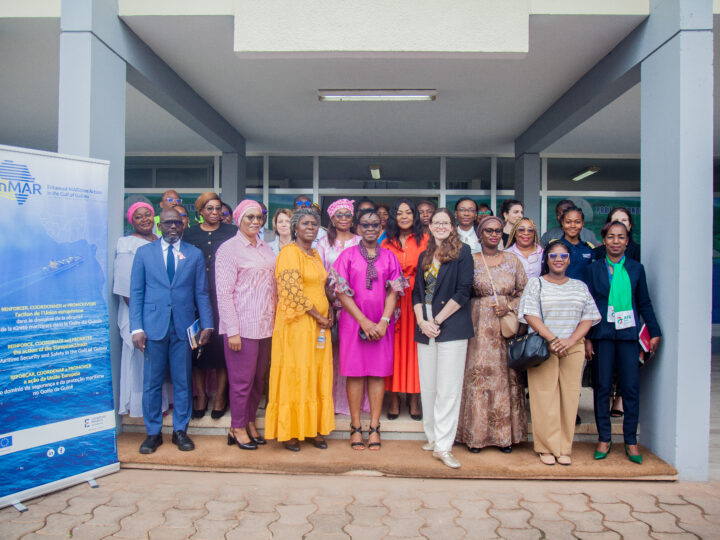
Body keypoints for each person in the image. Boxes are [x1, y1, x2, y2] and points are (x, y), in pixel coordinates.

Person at [130, 208, 213, 454]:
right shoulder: (143, 253)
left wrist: (207, 324)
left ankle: (180, 431)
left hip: (183, 328)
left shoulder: (194, 254)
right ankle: (153, 433)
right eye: (168, 223)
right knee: (152, 383)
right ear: (160, 225)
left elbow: (201, 292)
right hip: (153, 327)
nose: (173, 226)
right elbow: (136, 293)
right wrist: (137, 328)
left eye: (177, 222)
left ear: (184, 225)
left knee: (183, 381)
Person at [585, 221, 661, 464]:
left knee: (630, 388)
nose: (616, 241)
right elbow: (587, 305)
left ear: (628, 241)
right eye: (611, 237)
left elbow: (645, 302)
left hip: (628, 335)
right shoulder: (594, 269)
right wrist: (586, 337)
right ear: (603, 240)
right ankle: (604, 438)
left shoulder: (637, 269)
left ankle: (630, 440)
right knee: (603, 387)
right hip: (602, 335)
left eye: (621, 237)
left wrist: (655, 330)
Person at [518, 241, 601, 466]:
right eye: (553, 255)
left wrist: (571, 340)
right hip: (545, 346)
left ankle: (564, 447)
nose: (558, 260)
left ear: (569, 259)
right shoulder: (536, 284)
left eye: (563, 256)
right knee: (544, 396)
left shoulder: (579, 286)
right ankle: (546, 447)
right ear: (546, 259)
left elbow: (589, 316)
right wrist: (553, 339)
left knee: (570, 396)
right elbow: (529, 314)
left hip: (572, 347)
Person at [331, 208, 406, 450]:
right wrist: (363, 321)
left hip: (382, 324)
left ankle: (374, 427)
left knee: (377, 373)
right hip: (353, 323)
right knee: (354, 373)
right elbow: (340, 291)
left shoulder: (390, 257)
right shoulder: (347, 256)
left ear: (380, 227)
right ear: (358, 228)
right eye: (366, 224)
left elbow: (395, 290)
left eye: (375, 224)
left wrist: (384, 320)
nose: (371, 228)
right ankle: (355, 427)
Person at [456, 215, 528, 453]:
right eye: (488, 231)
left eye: (497, 231)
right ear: (480, 234)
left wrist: (509, 307)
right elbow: (462, 291)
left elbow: (526, 293)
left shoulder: (513, 261)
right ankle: (475, 436)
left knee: (504, 378)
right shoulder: (471, 260)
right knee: (477, 376)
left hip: (504, 327)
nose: (494, 234)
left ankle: (504, 437)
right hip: (477, 327)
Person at [265, 207, 335, 451]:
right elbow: (291, 293)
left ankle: (313, 427)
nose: (310, 228)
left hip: (319, 326)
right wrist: (319, 316)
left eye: (314, 224)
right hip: (297, 324)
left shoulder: (314, 254)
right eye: (305, 224)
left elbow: (322, 286)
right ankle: (291, 431)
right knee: (296, 373)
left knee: (316, 373)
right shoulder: (288, 253)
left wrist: (331, 311)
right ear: (294, 227)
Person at [413, 209, 473, 469]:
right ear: (430, 226)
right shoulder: (424, 255)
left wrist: (436, 321)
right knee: (429, 387)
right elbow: (416, 294)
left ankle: (444, 447)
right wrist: (421, 322)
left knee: (448, 390)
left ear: (453, 226)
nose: (440, 226)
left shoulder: (463, 252)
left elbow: (463, 292)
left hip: (451, 326)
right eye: (435, 222)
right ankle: (433, 436)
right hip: (425, 327)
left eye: (445, 222)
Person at [215, 200, 277, 450]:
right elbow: (224, 293)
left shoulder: (265, 249)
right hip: (242, 327)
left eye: (259, 217)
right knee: (242, 381)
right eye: (249, 217)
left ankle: (250, 421)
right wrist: (233, 331)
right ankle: (237, 427)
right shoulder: (229, 249)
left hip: (266, 326)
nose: (255, 222)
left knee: (258, 379)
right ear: (238, 220)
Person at [182, 192, 238, 419]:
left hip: (224, 298)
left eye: (219, 209)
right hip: (196, 298)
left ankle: (220, 396)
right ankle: (202, 395)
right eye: (210, 209)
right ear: (200, 212)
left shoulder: (232, 232)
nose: (215, 213)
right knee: (198, 349)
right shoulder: (189, 234)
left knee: (221, 349)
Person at [114, 202, 171, 418]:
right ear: (132, 221)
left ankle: (162, 403)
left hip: (160, 313)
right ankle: (142, 406)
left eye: (148, 215)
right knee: (142, 362)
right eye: (139, 217)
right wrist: (141, 320)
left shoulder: (161, 240)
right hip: (139, 314)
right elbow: (127, 288)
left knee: (159, 362)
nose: (145, 219)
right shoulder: (127, 244)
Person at [382, 199, 428, 420]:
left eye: (408, 212)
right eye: (399, 213)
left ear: (414, 216)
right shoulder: (386, 242)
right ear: (394, 217)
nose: (404, 216)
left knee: (415, 350)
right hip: (392, 300)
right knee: (393, 349)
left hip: (416, 299)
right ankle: (393, 397)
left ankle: (414, 398)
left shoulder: (426, 240)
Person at [316, 199, 363, 416]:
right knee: (331, 354)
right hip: (330, 304)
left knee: (353, 354)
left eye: (347, 214)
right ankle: (331, 401)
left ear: (352, 218)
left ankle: (352, 403)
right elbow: (320, 276)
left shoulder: (362, 241)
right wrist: (331, 303)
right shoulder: (323, 244)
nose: (343, 218)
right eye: (339, 215)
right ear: (332, 219)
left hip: (358, 307)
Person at [557, 206, 595, 280]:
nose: (573, 226)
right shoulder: (555, 248)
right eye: (568, 222)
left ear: (582, 223)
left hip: (583, 290)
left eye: (577, 222)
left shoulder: (588, 249)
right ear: (562, 223)